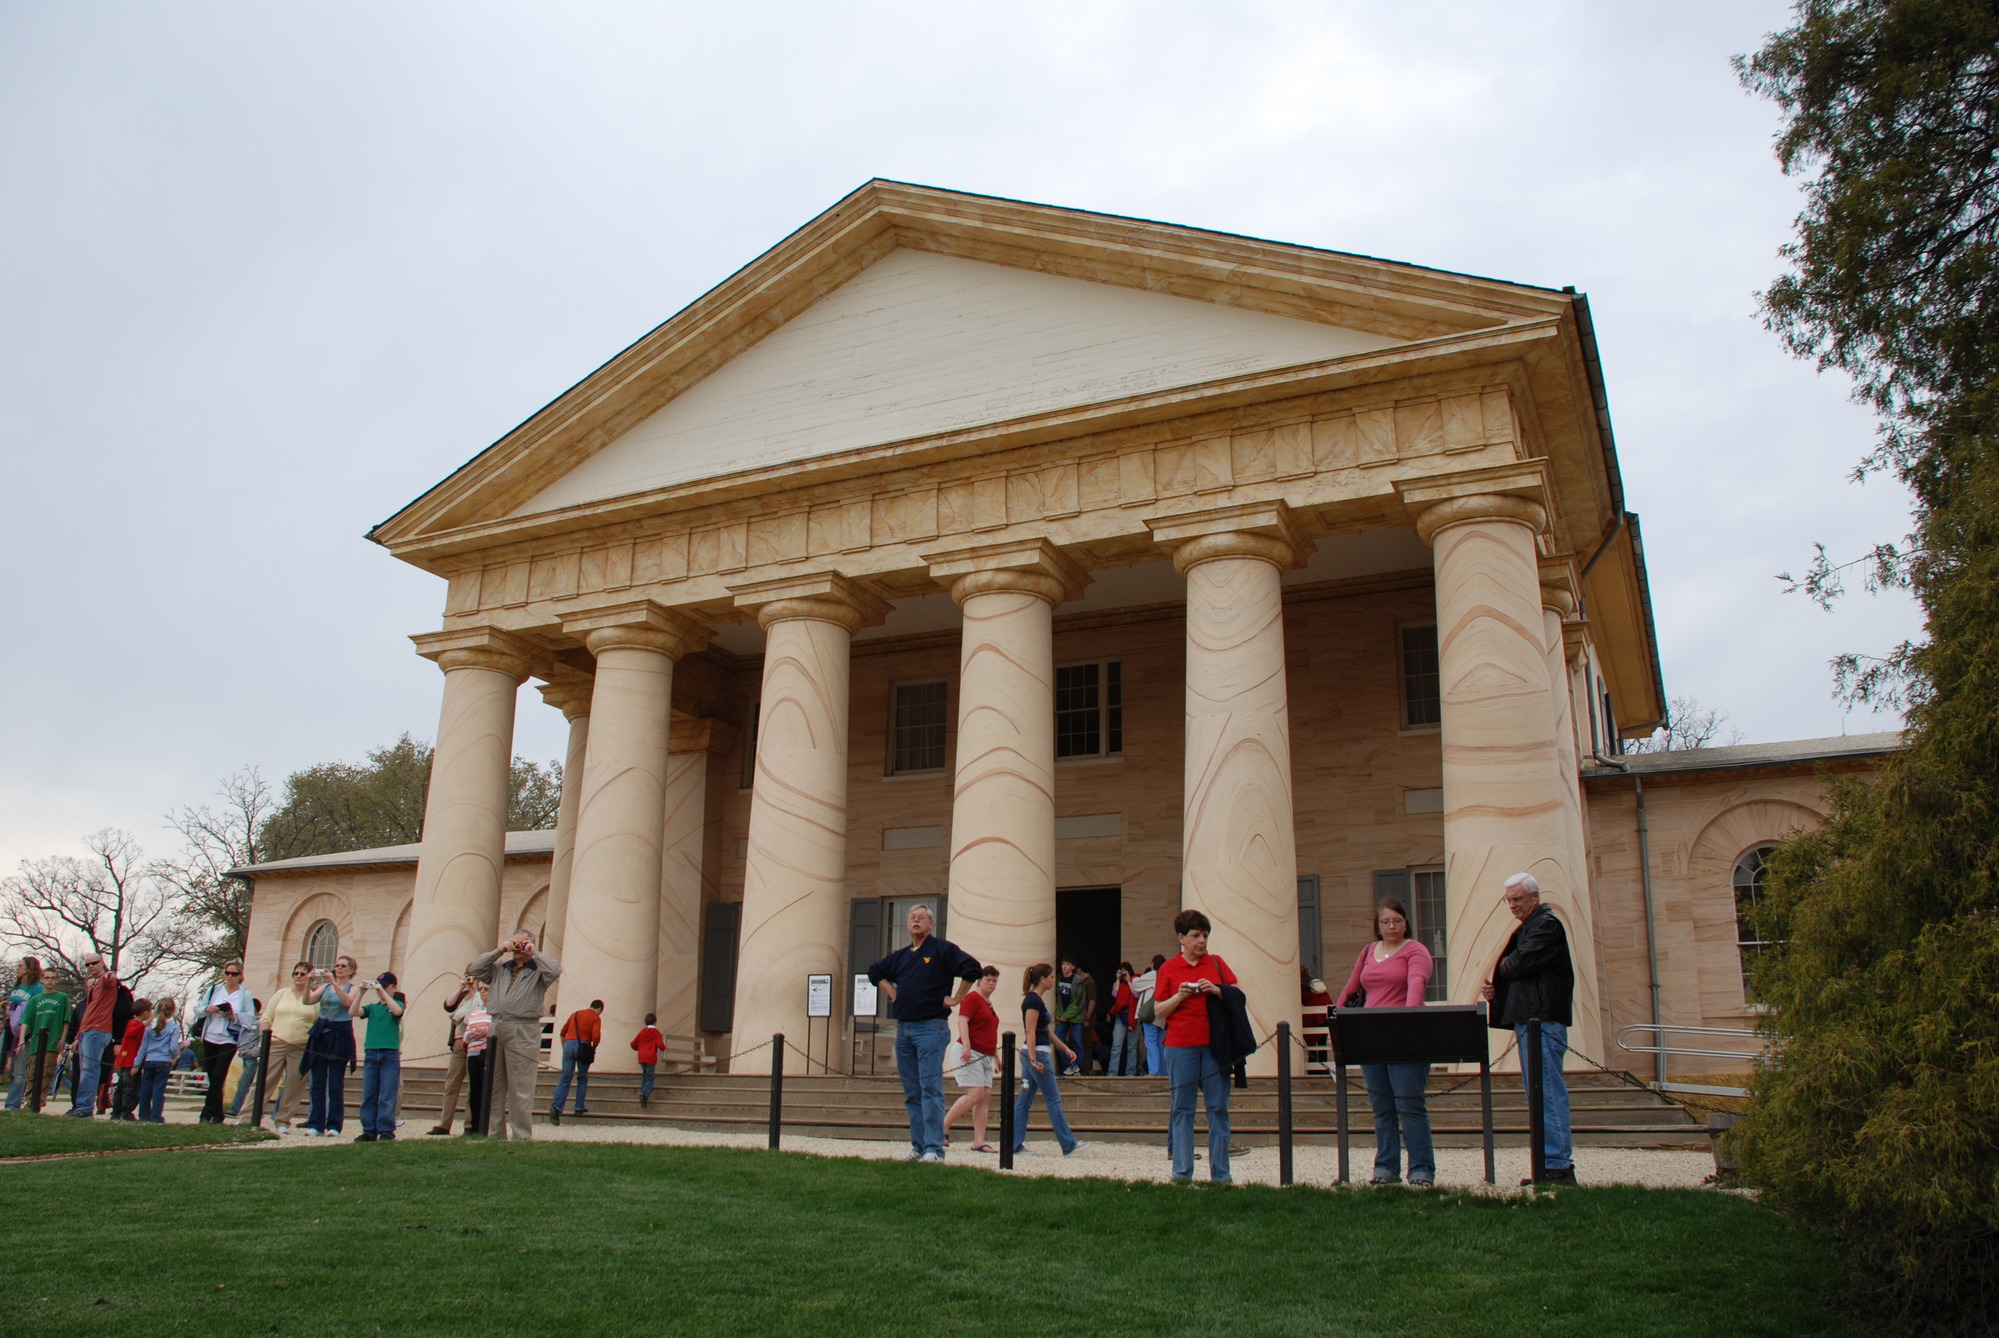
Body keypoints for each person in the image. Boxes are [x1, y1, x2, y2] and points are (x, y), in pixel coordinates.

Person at [1481, 873, 1578, 1186]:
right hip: (1531, 1020)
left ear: (1535, 897)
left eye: (1518, 899)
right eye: (1509, 900)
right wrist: (1499, 990)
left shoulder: (1547, 925)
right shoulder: (1530, 927)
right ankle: (1548, 1164)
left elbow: (1520, 964)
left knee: (1547, 1092)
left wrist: (1504, 969)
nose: (1512, 905)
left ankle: (1558, 1166)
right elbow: (1518, 971)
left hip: (1543, 1021)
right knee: (1538, 1094)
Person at [867, 903, 982, 1163]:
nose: (916, 921)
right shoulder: (902, 956)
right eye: (912, 917)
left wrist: (957, 998)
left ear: (931, 923)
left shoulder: (942, 950)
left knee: (930, 1089)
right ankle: (918, 1147)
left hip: (930, 1028)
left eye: (921, 917)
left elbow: (972, 969)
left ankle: (934, 1148)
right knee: (913, 1092)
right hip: (904, 1028)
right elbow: (875, 971)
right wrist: (892, 992)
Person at [1336, 897, 1437, 1187]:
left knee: (1409, 1105)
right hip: (1371, 1036)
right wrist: (1337, 1020)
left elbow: (1416, 986)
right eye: (1385, 922)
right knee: (1381, 1107)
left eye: (1396, 921)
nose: (1391, 926)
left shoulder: (1416, 951)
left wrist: (1406, 1020)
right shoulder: (1369, 950)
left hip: (1405, 1036)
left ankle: (1421, 1168)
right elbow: (1352, 986)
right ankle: (1386, 1167)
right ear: (1378, 925)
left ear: (1406, 923)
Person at [1153, 909, 1238, 1184]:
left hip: (1214, 1046)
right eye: (1195, 936)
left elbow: (1237, 994)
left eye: (1205, 935)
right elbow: (1159, 1010)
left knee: (1218, 1108)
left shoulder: (1216, 963)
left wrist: (1216, 989)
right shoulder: (1168, 969)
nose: (1201, 941)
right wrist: (1180, 995)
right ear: (1181, 938)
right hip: (1179, 1047)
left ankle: (1221, 1175)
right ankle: (1181, 1173)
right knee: (1182, 1109)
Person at [466, 931, 561, 1141]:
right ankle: (495, 1134)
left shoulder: (538, 972)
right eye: (517, 943)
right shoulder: (500, 969)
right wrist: (501, 949)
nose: (519, 948)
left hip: (523, 1028)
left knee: (521, 1087)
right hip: (497, 1026)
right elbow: (476, 968)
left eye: (523, 943)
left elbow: (555, 970)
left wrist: (534, 953)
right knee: (494, 1085)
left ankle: (521, 1136)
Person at [1011, 963, 1087, 1158]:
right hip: (1037, 1053)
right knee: (1053, 1099)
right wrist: (1034, 1060)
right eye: (1051, 977)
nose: (1054, 980)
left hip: (1035, 1052)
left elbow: (1046, 1032)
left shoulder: (1036, 1001)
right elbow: (1030, 1031)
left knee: (1025, 1100)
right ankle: (1068, 1144)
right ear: (1043, 979)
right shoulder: (1033, 1002)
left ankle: (1014, 1143)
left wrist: (1065, 1048)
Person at [302, 956, 363, 1137]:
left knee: (335, 1083)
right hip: (322, 1034)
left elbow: (347, 1003)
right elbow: (308, 1000)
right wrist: (308, 983)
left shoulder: (353, 987)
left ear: (351, 970)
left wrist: (334, 983)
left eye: (343, 966)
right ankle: (315, 1124)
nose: (339, 968)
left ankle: (334, 1125)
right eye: (337, 965)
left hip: (340, 1035)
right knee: (317, 1082)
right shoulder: (325, 987)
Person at [942, 966, 1000, 1153]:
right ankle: (942, 1126)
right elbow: (962, 1020)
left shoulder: (988, 1003)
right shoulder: (973, 998)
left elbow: (989, 1030)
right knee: (975, 1094)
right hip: (970, 1052)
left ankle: (979, 1141)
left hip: (986, 1054)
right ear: (980, 981)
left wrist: (996, 1054)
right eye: (988, 979)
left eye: (994, 980)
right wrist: (966, 1045)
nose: (991, 983)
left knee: (984, 1097)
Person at [260, 963, 319, 1131]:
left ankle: (283, 1120)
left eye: (302, 973)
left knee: (294, 1085)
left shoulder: (314, 998)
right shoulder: (281, 994)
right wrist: (266, 1035)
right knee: (264, 1080)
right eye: (296, 973)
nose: (298, 976)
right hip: (277, 1042)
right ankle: (248, 1116)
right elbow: (267, 1016)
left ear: (309, 976)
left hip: (301, 1046)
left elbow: (317, 1023)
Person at [194, 961, 254, 1125]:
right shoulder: (214, 989)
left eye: (234, 974)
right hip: (210, 1035)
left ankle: (205, 1114)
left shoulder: (245, 994)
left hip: (229, 1038)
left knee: (219, 1075)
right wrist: (208, 1009)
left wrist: (233, 1017)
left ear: (240, 975)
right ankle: (218, 1114)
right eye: (227, 973)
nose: (230, 976)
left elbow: (250, 1019)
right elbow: (198, 1009)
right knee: (213, 1076)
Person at [63, 952, 120, 1118]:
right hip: (87, 1031)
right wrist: (78, 1037)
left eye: (94, 963)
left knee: (90, 1069)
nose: (91, 967)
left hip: (98, 1030)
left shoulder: (105, 980)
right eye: (87, 964)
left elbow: (111, 978)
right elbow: (87, 1014)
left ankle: (85, 1108)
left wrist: (110, 975)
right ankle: (81, 1106)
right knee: (83, 1070)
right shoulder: (93, 987)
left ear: (101, 962)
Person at [430, 977, 486, 1134]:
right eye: (468, 975)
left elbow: (479, 1012)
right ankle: (444, 1123)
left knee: (472, 1085)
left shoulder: (481, 995)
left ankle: (469, 1124)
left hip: (475, 1044)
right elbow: (448, 1006)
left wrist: (476, 991)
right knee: (451, 1084)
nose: (470, 979)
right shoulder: (462, 995)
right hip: (458, 1042)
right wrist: (461, 987)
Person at [355, 971, 406, 1142]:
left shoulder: (396, 1003)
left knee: (387, 1095)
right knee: (369, 1094)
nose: (380, 989)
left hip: (389, 1053)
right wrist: (361, 992)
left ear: (393, 987)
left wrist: (383, 993)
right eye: (379, 986)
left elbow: (398, 1011)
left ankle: (386, 1130)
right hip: (371, 1053)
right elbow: (353, 1011)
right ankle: (369, 1130)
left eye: (385, 986)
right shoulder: (373, 1008)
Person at [14, 978, 70, 1111]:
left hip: (52, 1042)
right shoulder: (35, 999)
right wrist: (21, 1039)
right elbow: (26, 1020)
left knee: (46, 1072)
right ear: (42, 980)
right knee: (32, 1072)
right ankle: (29, 1101)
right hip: (36, 1042)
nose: (50, 981)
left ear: (56, 980)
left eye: (52, 978)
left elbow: (66, 1020)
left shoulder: (62, 998)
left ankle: (38, 1102)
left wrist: (62, 1039)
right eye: (47, 978)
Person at [550, 999, 603, 1123]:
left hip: (568, 1044)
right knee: (582, 1077)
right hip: (583, 1046)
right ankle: (579, 1106)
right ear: (599, 1009)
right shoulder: (595, 1018)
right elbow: (596, 1036)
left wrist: (565, 1044)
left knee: (565, 1077)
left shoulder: (575, 1014)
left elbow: (563, 1032)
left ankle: (556, 1106)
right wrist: (593, 1047)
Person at [135, 998, 186, 1123]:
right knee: (158, 1090)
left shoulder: (150, 1027)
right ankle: (156, 1116)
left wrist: (136, 1063)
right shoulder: (173, 1027)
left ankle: (144, 1115)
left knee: (146, 1089)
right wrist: (176, 1055)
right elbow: (173, 1046)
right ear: (173, 1010)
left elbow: (143, 1047)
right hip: (164, 1061)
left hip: (149, 1060)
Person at [5, 957, 46, 1109]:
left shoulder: (36, 988)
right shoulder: (17, 987)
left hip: (27, 1033)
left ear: (30, 969)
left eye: (21, 965)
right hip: (11, 1031)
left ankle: (13, 1104)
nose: (18, 968)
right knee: (11, 1067)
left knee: (21, 1070)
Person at [110, 998, 151, 1121]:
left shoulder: (138, 1026)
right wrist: (143, 1025)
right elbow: (130, 1033)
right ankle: (125, 1112)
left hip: (131, 1061)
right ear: (145, 1012)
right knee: (130, 1089)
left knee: (123, 1088)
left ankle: (118, 1112)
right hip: (130, 1062)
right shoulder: (133, 1024)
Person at [225, 997, 264, 1122]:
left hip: (253, 1057)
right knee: (245, 1082)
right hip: (244, 1054)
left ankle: (236, 1109)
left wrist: (254, 1052)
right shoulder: (246, 1020)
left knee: (245, 1083)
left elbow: (262, 1039)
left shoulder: (260, 1021)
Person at [1053, 960, 1088, 1077]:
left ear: (1073, 967)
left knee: (1077, 1042)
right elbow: (1057, 999)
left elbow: (1077, 1002)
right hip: (1062, 1014)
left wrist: (1065, 1016)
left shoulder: (1078, 981)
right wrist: (1059, 1014)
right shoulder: (1058, 978)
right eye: (1063, 964)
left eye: (1068, 964)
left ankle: (1078, 1068)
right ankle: (1069, 1066)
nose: (1064, 967)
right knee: (1058, 1039)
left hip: (1075, 1017)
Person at [1107, 962, 1142, 1076]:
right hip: (1120, 1016)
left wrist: (1128, 981)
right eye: (1120, 971)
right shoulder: (1118, 983)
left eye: (1124, 972)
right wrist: (1118, 980)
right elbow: (1114, 994)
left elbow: (1136, 995)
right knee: (1116, 1046)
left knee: (1132, 1047)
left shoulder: (1135, 981)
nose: (1122, 974)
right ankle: (1112, 1073)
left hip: (1133, 1016)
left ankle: (1130, 1073)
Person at [631, 1013, 666, 1109]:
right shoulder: (656, 1033)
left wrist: (640, 1048)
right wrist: (664, 1047)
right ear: (655, 1022)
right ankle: (644, 1094)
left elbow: (633, 1044)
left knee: (645, 1076)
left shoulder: (642, 1032)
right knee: (650, 1078)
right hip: (650, 1057)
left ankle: (643, 1094)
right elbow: (660, 1044)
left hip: (642, 1057)